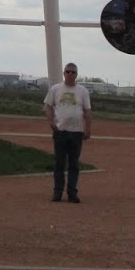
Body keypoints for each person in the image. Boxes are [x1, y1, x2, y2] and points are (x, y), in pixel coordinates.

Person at [43, 61, 92, 203]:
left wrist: (88, 129)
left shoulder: (82, 91)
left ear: (77, 75)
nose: (70, 74)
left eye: (73, 72)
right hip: (61, 131)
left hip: (76, 132)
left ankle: (72, 192)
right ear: (64, 73)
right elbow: (48, 106)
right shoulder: (55, 89)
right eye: (67, 71)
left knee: (74, 164)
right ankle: (57, 192)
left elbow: (87, 111)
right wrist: (51, 122)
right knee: (59, 163)